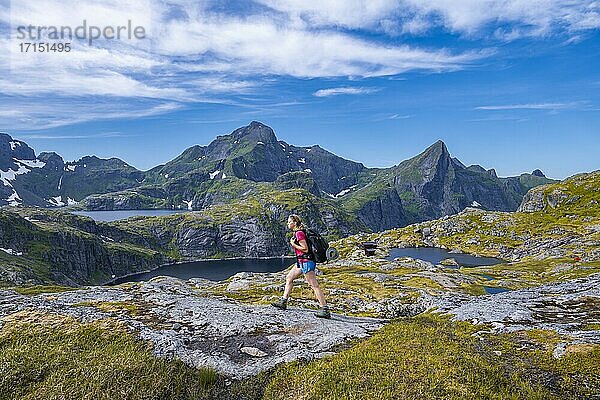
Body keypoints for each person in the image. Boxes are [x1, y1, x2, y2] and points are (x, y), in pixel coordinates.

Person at [271, 214, 331, 319]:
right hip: (301, 261)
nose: (288, 223)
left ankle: (325, 309)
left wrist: (293, 244)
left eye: (289, 222)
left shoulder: (299, 233)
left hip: (306, 261)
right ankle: (283, 302)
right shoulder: (299, 232)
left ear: (294, 223)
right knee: (289, 278)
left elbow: (305, 249)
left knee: (314, 285)